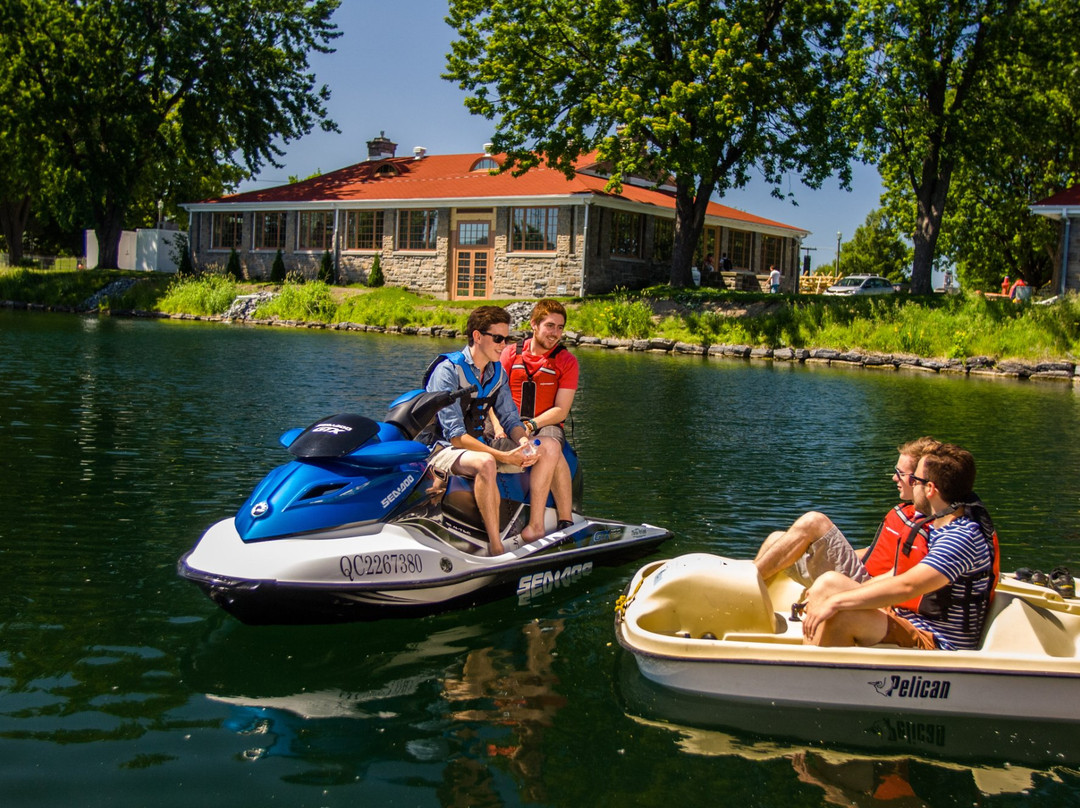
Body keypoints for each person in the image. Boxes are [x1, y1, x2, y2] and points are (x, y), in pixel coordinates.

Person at [801, 443, 997, 651]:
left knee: (844, 615)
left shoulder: (961, 537)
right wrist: (832, 596)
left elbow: (908, 586)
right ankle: (809, 662)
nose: (910, 484)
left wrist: (835, 603)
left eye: (915, 480)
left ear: (930, 489)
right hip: (906, 619)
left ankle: (814, 678)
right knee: (828, 583)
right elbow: (898, 575)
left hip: (935, 641)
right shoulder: (938, 526)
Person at [424, 305, 547, 556]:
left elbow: (511, 419)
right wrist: (503, 456)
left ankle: (544, 524)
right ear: (478, 337)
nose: (504, 345)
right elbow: (455, 435)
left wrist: (525, 443)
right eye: (498, 338)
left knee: (547, 448)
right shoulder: (448, 370)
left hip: (476, 445)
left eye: (507, 338)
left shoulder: (496, 372)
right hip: (440, 449)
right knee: (487, 462)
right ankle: (496, 546)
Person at [754, 437, 940, 587]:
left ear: (918, 478)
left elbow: (903, 576)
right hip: (860, 574)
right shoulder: (905, 512)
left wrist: (853, 592)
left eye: (900, 473)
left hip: (868, 588)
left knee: (814, 521)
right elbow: (873, 552)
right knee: (776, 540)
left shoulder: (929, 526)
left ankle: (746, 583)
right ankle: (747, 603)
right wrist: (820, 550)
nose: (894, 478)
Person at [497, 299, 579, 542]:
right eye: (550, 326)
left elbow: (561, 411)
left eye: (560, 328)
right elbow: (493, 395)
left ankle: (542, 524)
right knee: (549, 450)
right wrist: (501, 426)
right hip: (506, 419)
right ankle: (564, 520)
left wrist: (531, 425)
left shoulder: (566, 361)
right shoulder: (510, 353)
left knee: (551, 446)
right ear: (534, 324)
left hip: (545, 423)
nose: (555, 333)